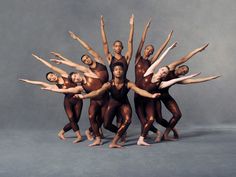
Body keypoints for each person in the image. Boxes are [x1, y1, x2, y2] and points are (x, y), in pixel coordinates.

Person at [76, 62, 161, 148]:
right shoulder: (108, 84)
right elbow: (97, 92)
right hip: (112, 103)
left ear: (123, 71)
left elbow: (140, 91)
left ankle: (114, 142)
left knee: (127, 120)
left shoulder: (128, 83)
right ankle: (121, 132)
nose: (118, 71)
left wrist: (152, 95)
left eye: (120, 69)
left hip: (124, 103)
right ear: (113, 72)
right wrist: (84, 96)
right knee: (106, 125)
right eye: (116, 70)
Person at [19, 54, 83, 143]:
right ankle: (79, 136)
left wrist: (40, 58)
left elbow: (51, 66)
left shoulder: (64, 75)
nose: (52, 78)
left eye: (52, 75)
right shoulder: (56, 86)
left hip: (78, 100)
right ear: (50, 81)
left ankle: (61, 132)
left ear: (54, 74)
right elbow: (40, 83)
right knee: (72, 119)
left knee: (76, 120)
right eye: (50, 79)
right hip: (68, 102)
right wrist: (29, 81)